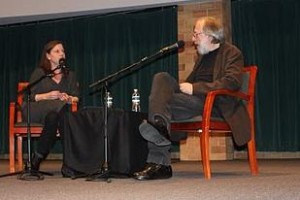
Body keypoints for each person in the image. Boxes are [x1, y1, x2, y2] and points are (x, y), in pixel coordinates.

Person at [133, 16, 251, 180]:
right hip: (192, 102)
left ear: (209, 35)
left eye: (196, 34)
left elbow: (232, 82)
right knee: (162, 79)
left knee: (159, 103)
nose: (193, 39)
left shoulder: (232, 53)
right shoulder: (202, 57)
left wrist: (194, 88)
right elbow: (189, 82)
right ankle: (159, 127)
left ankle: (159, 163)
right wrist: (183, 88)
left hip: (214, 103)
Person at [21, 40, 80, 172]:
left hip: (55, 115)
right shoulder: (40, 73)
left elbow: (76, 97)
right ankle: (69, 164)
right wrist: (47, 95)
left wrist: (68, 98)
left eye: (63, 51)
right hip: (37, 110)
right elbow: (28, 97)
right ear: (48, 56)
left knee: (54, 117)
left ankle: (36, 158)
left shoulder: (70, 75)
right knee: (62, 110)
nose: (62, 54)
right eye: (57, 51)